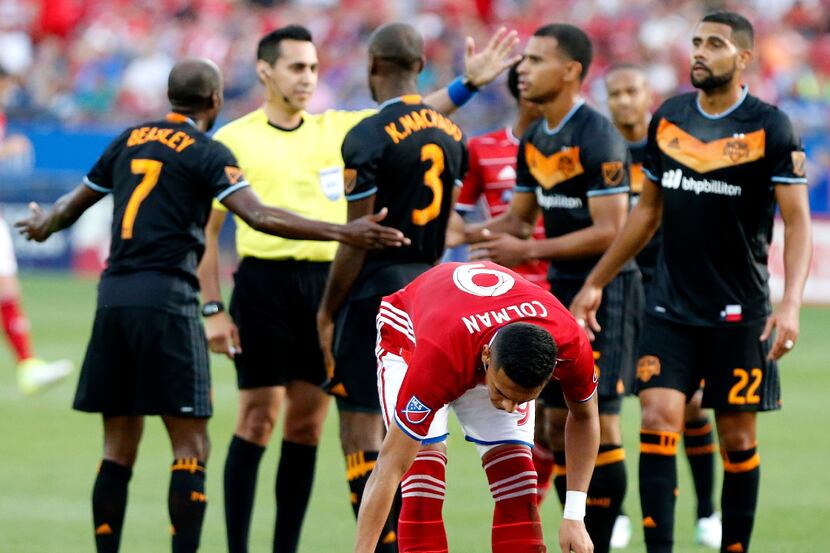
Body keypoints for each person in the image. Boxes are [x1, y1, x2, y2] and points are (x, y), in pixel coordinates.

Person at [16, 58, 407, 553]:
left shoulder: (128, 139)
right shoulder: (207, 152)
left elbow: (68, 209)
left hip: (113, 299)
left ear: (169, 98)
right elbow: (259, 215)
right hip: (169, 303)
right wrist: (342, 230)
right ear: (216, 102)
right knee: (190, 446)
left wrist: (42, 224)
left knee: (117, 446)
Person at [196, 23, 520, 553]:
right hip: (264, 287)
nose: (307, 78)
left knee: (306, 426)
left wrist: (467, 84)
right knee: (256, 419)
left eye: (314, 69)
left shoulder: (336, 128)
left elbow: (410, 115)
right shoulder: (235, 138)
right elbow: (208, 234)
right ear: (265, 71)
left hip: (331, 281)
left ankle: (286, 546)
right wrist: (212, 307)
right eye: (296, 68)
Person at [571, 11, 812, 553]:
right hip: (668, 308)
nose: (700, 51)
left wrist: (790, 303)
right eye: (697, 42)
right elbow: (645, 213)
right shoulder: (670, 117)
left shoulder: (771, 126)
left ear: (744, 58)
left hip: (739, 311)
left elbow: (797, 224)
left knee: (737, 438)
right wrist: (596, 281)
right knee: (657, 417)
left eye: (716, 44)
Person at [463, 24, 640, 553]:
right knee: (554, 424)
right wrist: (458, 234)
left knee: (600, 423)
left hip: (607, 291)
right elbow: (517, 220)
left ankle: (598, 539)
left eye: (536, 60)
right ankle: (575, 529)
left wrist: (530, 252)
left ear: (570, 72)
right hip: (559, 291)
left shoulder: (598, 135)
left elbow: (613, 229)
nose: (523, 68)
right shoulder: (536, 137)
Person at [314, 21, 469, 549]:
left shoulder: (364, 136)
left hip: (378, 291)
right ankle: (416, 538)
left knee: (360, 425)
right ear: (421, 67)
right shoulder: (452, 135)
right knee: (415, 427)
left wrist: (327, 309)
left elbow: (360, 236)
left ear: (372, 65)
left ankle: (382, 542)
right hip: (431, 291)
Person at [353, 261, 599, 553]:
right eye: (503, 392)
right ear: (486, 358)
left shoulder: (571, 345)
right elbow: (389, 467)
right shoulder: (437, 360)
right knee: (422, 479)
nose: (509, 407)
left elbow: (584, 417)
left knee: (519, 481)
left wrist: (574, 515)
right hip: (413, 337)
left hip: (475, 331)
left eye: (523, 399)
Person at [604, 63, 721, 549]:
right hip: (618, 292)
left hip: (673, 290)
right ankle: (618, 513)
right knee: (609, 409)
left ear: (647, 93)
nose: (624, 101)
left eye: (632, 91)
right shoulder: (605, 152)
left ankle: (708, 510)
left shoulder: (673, 145)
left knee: (691, 407)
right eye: (615, 94)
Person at [453, 62, 557, 502]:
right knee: (514, 406)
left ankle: (580, 509)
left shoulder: (578, 145)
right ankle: (524, 504)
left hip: (562, 292)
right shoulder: (483, 148)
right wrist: (481, 240)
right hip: (505, 301)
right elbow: (455, 225)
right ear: (520, 91)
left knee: (562, 418)